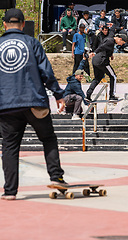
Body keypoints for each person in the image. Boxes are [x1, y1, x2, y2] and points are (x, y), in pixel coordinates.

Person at [0, 8, 67, 200]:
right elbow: (46, 71)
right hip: (34, 102)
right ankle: (56, 177)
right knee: (47, 138)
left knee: (10, 147)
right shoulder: (32, 43)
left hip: (6, 105)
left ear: (4, 24)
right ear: (23, 24)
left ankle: (10, 191)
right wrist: (58, 95)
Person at [86, 36, 126, 101]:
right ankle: (112, 95)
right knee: (113, 76)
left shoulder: (108, 39)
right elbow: (102, 47)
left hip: (95, 61)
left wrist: (111, 55)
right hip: (102, 61)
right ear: (120, 39)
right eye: (122, 43)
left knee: (97, 78)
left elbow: (105, 48)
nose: (121, 44)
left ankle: (88, 95)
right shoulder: (110, 41)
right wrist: (94, 52)